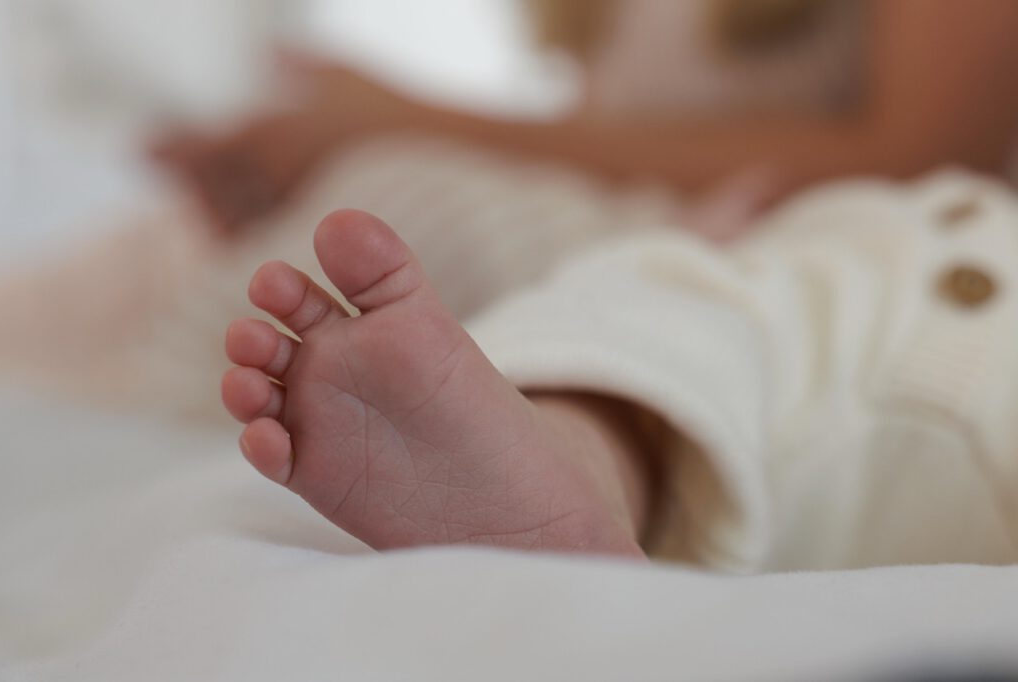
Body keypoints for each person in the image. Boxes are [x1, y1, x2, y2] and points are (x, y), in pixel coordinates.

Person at [221, 168, 1018, 570]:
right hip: (820, 273)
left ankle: (576, 463)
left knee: (672, 302)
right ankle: (568, 478)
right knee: (656, 302)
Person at [153, 0, 1018, 236]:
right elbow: (601, 139)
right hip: (674, 224)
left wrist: (407, 121)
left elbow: (926, 160)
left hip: (828, 240)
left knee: (403, 197)